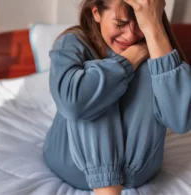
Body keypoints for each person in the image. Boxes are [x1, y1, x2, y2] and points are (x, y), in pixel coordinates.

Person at [42, 0, 191, 194]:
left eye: (140, 24)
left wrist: (154, 31)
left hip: (137, 170)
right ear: (96, 13)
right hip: (72, 165)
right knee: (90, 83)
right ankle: (107, 187)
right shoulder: (72, 42)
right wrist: (132, 57)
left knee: (148, 69)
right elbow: (73, 103)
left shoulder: (156, 45)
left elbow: (181, 120)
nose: (130, 35)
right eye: (120, 24)